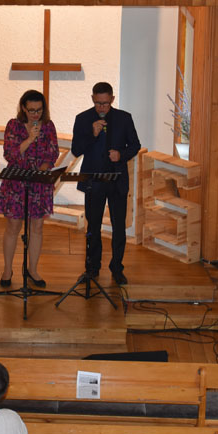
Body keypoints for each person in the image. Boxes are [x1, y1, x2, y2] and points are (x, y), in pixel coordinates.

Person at [70, 81, 141, 285]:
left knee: (119, 227)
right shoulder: (83, 119)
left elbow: (135, 145)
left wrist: (121, 155)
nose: (102, 107)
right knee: (93, 226)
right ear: (93, 98)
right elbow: (76, 149)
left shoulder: (124, 118)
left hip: (117, 180)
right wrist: (92, 135)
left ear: (112, 99)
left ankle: (117, 268)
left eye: (105, 103)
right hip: (93, 181)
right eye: (98, 103)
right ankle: (92, 268)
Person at [0, 89, 59, 287]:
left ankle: (32, 270)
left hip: (39, 183)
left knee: (37, 227)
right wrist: (30, 139)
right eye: (31, 110)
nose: (35, 114)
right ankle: (7, 270)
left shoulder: (48, 126)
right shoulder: (13, 125)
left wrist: (42, 170)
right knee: (13, 226)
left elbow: (52, 153)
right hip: (16, 183)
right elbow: (10, 154)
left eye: (39, 110)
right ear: (23, 108)